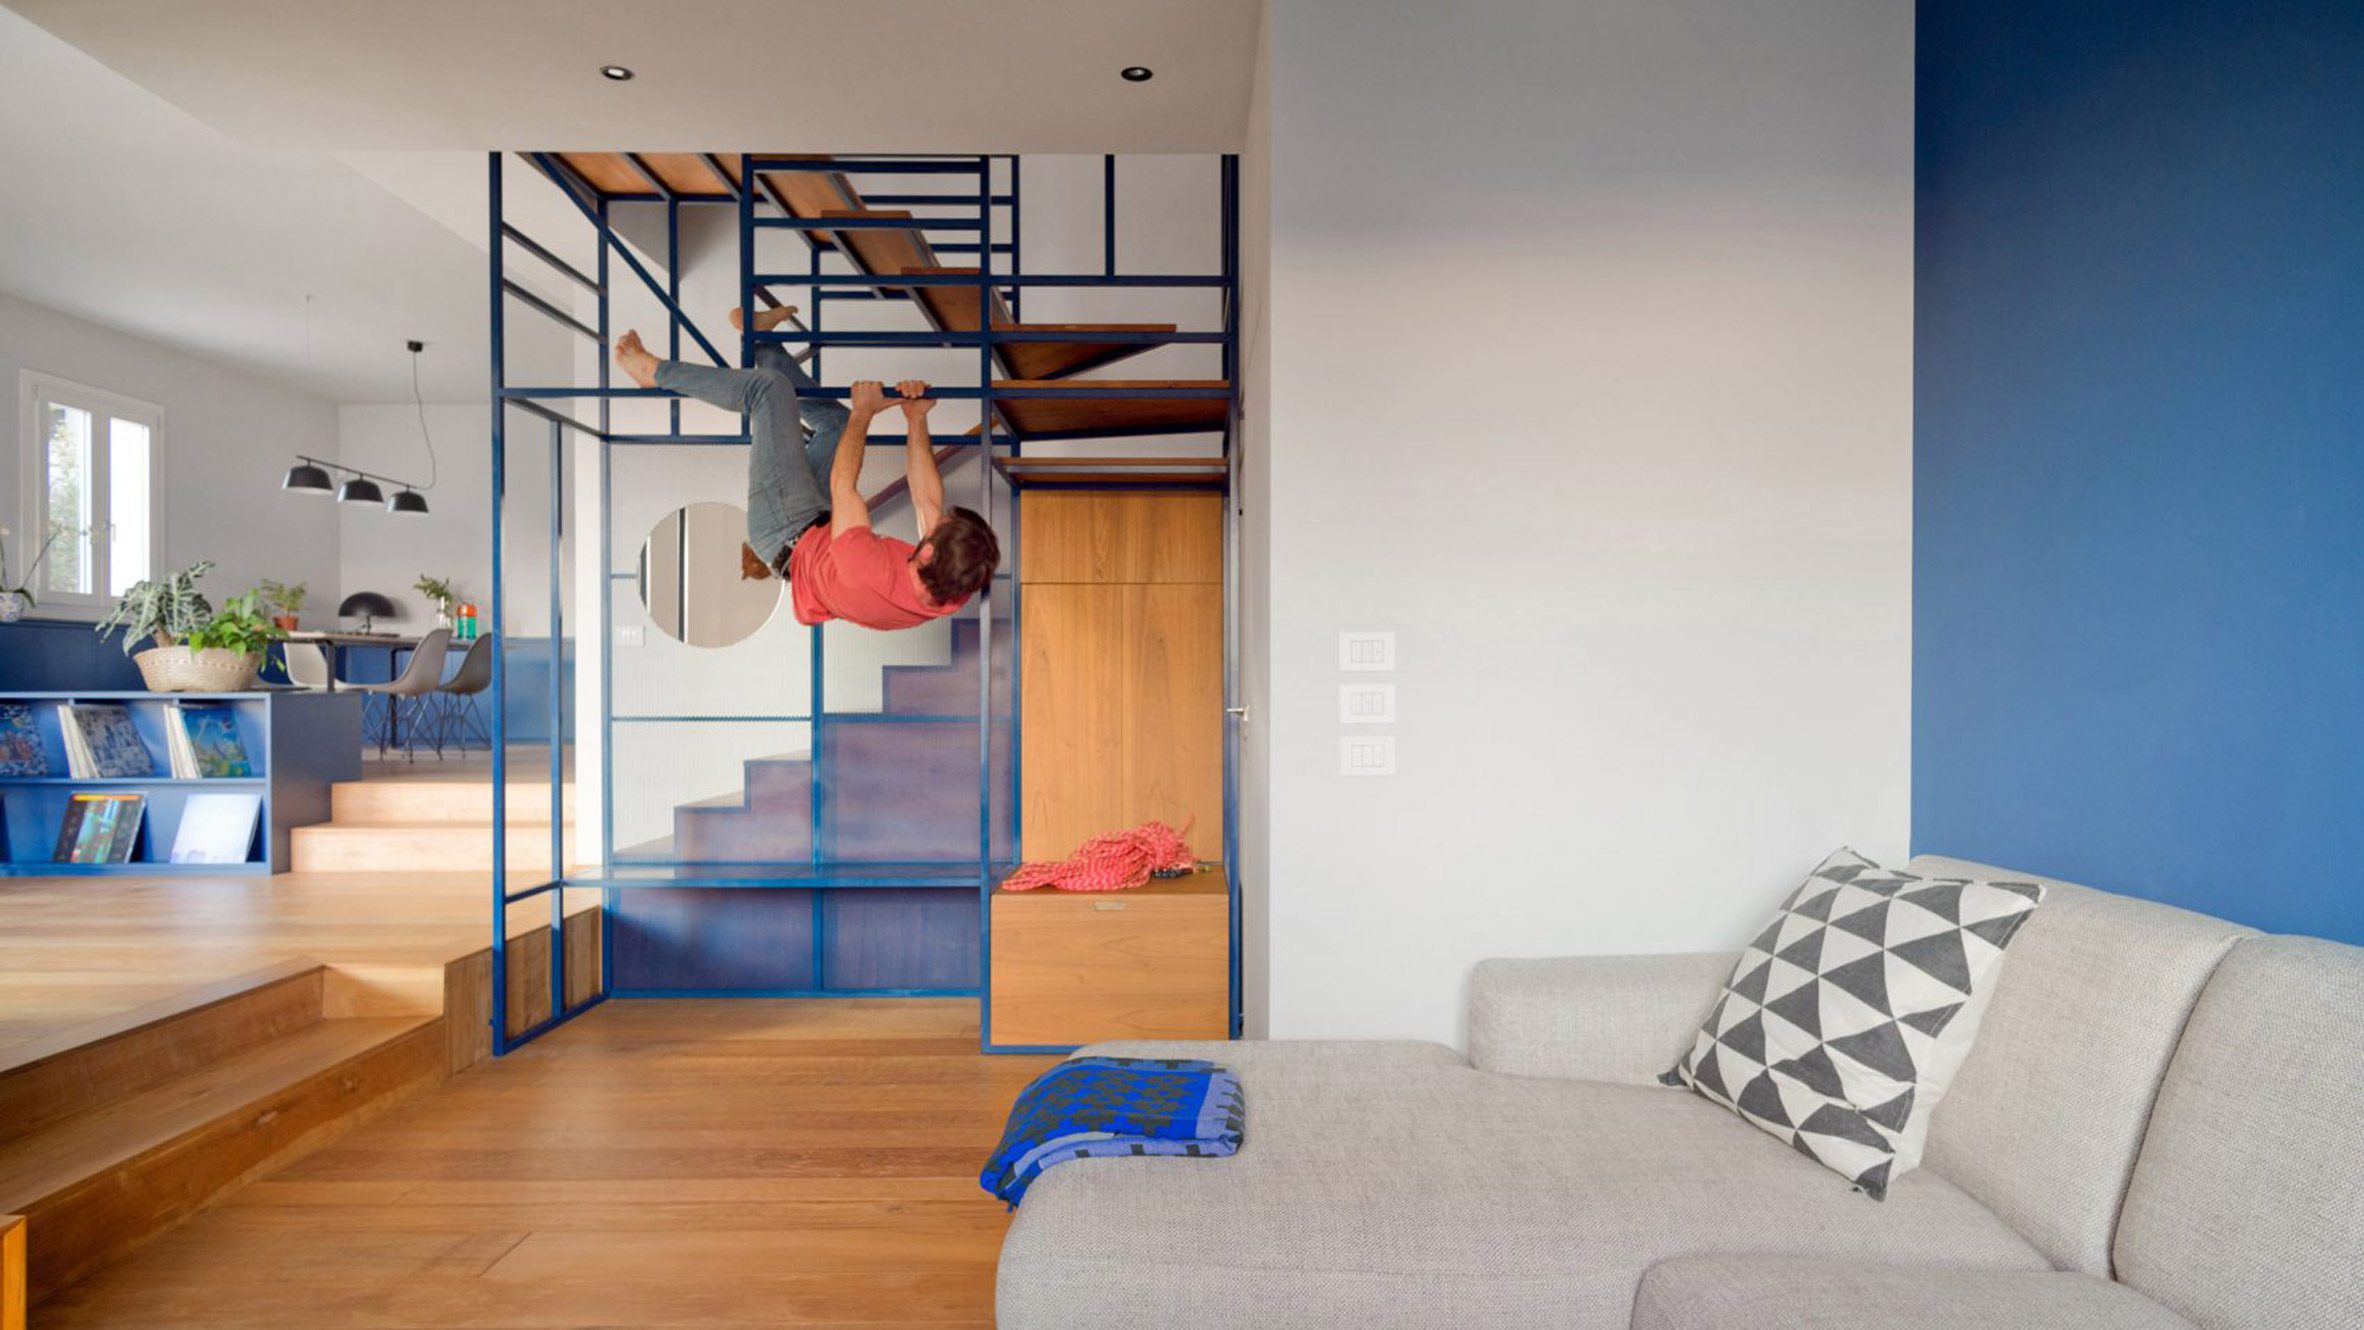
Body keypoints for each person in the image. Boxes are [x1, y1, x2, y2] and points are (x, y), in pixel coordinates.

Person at [612, 307, 1000, 632]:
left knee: (768, 391)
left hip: (783, 529)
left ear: (928, 552)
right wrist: (916, 418)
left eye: (938, 528)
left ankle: (654, 372)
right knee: (834, 425)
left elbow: (843, 486)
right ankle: (760, 338)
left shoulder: (868, 569)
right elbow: (927, 498)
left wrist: (866, 413)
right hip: (818, 526)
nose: (936, 518)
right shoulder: (954, 584)